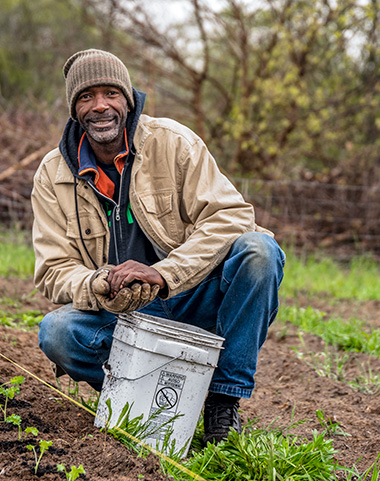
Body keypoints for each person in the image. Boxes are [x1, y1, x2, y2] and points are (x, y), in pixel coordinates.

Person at [31, 48, 285, 446]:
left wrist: (166, 273)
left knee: (259, 252)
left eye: (111, 93)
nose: (100, 106)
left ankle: (222, 402)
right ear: (74, 109)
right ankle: (149, 395)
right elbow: (53, 269)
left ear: (127, 100)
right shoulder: (53, 174)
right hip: (126, 314)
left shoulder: (173, 142)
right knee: (58, 332)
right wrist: (100, 283)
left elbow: (232, 217)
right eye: (86, 97)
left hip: (191, 295)